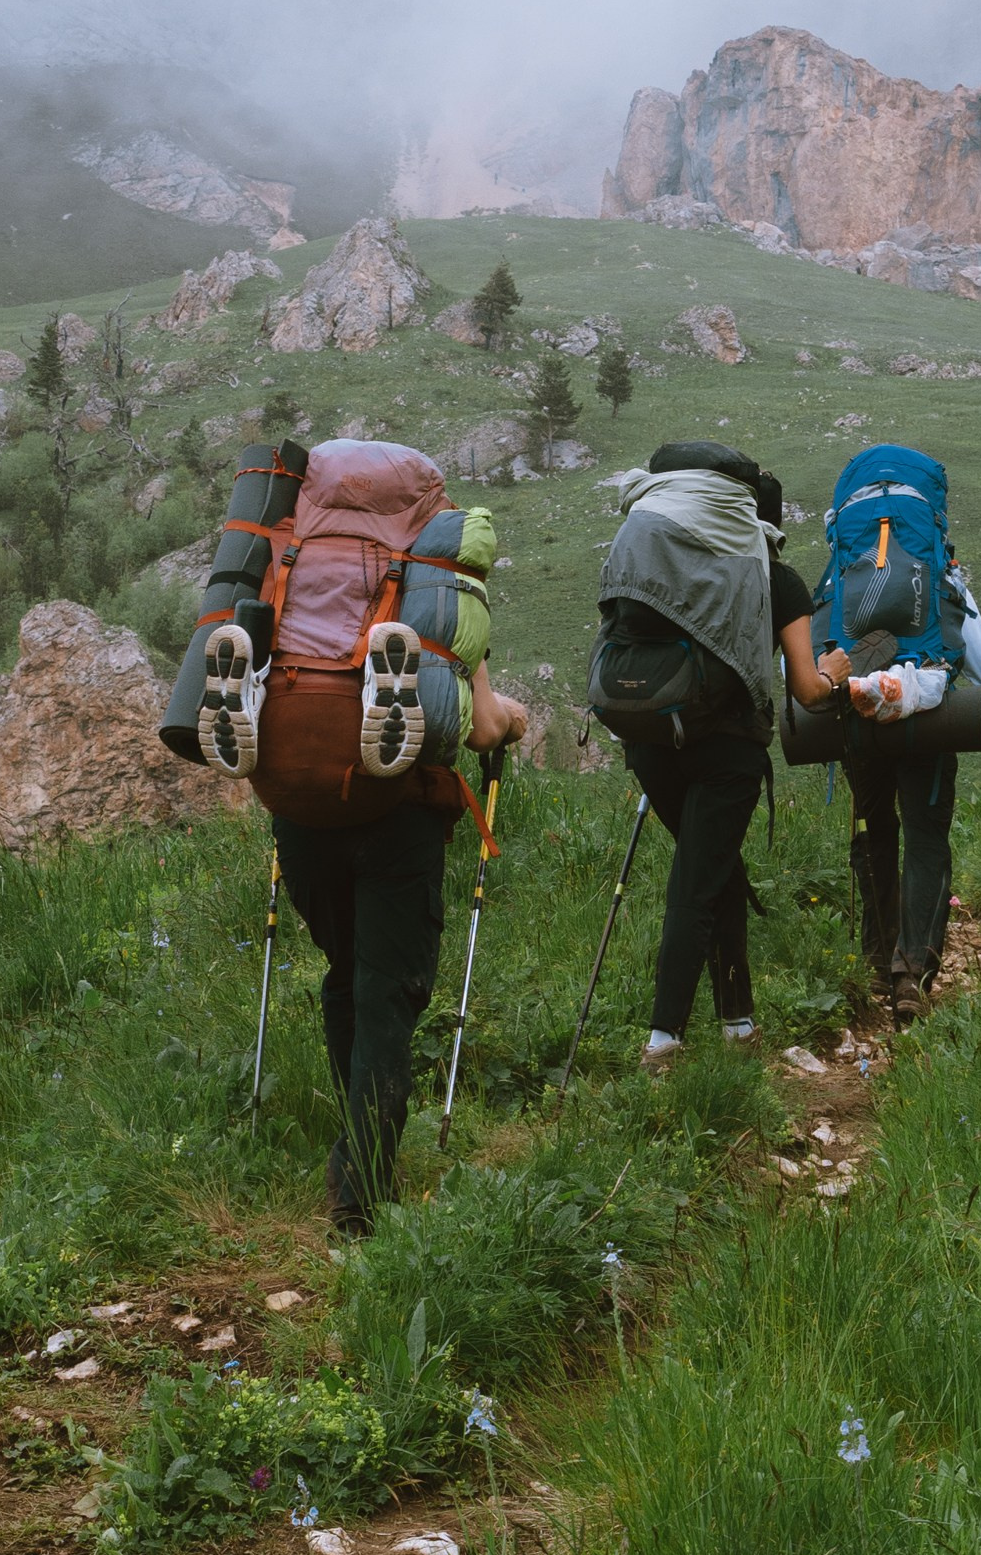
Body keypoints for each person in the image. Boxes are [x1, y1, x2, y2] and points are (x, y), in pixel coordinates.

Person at [234, 438, 530, 1236]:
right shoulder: (434, 580)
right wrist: (511, 720)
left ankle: (352, 1148)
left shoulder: (286, 558)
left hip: (298, 800)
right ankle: (361, 1195)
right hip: (398, 808)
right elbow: (480, 729)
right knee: (386, 995)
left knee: (347, 974)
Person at [593, 442, 848, 1070]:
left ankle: (739, 1022)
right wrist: (834, 673)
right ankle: (664, 1038)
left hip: (650, 738)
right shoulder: (775, 578)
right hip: (726, 751)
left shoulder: (650, 553)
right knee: (697, 881)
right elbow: (807, 693)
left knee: (716, 870)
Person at [841, 544, 981, 1022]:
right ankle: (910, 975)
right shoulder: (942, 577)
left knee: (874, 828)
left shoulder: (841, 576)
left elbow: (806, 663)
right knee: (925, 837)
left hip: (860, 723)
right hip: (926, 726)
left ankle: (877, 960)